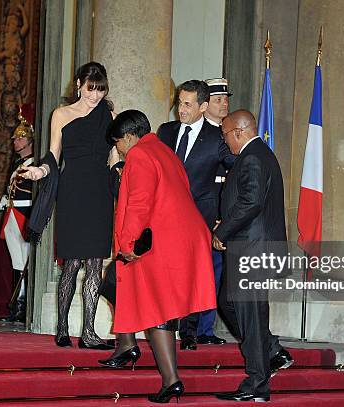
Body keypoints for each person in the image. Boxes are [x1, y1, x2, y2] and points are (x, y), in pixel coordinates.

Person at [109, 109, 216, 403]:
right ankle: (126, 345)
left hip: (161, 239)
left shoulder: (140, 155)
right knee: (115, 281)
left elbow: (139, 204)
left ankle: (171, 381)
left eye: (118, 141)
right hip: (182, 237)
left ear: (130, 136)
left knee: (158, 307)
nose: (118, 148)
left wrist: (128, 243)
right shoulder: (165, 152)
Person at [22, 62, 114, 350]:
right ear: (78, 84)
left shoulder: (108, 115)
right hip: (73, 192)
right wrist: (39, 171)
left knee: (96, 265)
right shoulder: (61, 114)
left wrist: (122, 176)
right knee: (73, 264)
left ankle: (88, 332)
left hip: (100, 192)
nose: (95, 95)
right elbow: (53, 155)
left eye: (100, 90)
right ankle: (62, 327)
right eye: (90, 89)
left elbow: (113, 157)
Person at [212, 110, 287, 402]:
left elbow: (251, 202)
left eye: (225, 135)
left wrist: (222, 232)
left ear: (238, 132)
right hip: (250, 246)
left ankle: (257, 384)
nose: (224, 140)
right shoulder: (258, 154)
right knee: (228, 303)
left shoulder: (253, 156)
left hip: (251, 249)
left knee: (250, 315)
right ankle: (269, 350)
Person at [157, 79, 235, 350]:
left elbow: (236, 172)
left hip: (199, 218)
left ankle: (189, 334)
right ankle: (164, 327)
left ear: (203, 106)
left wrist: (225, 214)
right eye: (180, 103)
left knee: (193, 275)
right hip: (165, 218)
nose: (181, 109)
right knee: (166, 274)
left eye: (188, 104)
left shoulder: (217, 140)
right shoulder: (165, 132)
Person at [0, 104, 35, 324]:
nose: (15, 142)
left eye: (20, 139)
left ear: (30, 140)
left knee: (24, 261)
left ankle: (22, 308)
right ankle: (17, 307)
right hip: (11, 214)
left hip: (24, 215)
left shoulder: (35, 165)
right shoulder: (18, 165)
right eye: (15, 139)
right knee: (16, 263)